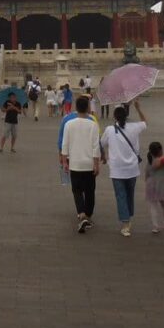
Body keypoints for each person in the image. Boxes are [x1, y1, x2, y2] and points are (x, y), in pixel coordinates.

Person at [100, 101, 147, 236]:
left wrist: (103, 157)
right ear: (126, 116)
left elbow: (101, 144)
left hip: (117, 169)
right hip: (132, 168)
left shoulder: (109, 130)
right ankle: (128, 216)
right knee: (129, 194)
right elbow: (145, 122)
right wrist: (138, 108)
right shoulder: (134, 127)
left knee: (121, 196)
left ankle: (125, 223)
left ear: (114, 117)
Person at [60, 96, 101, 233]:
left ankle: (81, 214)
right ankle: (88, 216)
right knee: (90, 191)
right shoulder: (93, 124)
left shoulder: (68, 124)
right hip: (89, 163)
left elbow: (64, 145)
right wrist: (97, 164)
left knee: (76, 190)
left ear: (76, 108)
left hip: (75, 163)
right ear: (88, 108)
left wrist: (64, 162)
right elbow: (96, 147)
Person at [145, 142, 164, 234]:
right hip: (162, 186)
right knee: (163, 205)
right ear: (161, 150)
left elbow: (146, 175)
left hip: (151, 185)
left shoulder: (149, 161)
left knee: (153, 206)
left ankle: (155, 226)